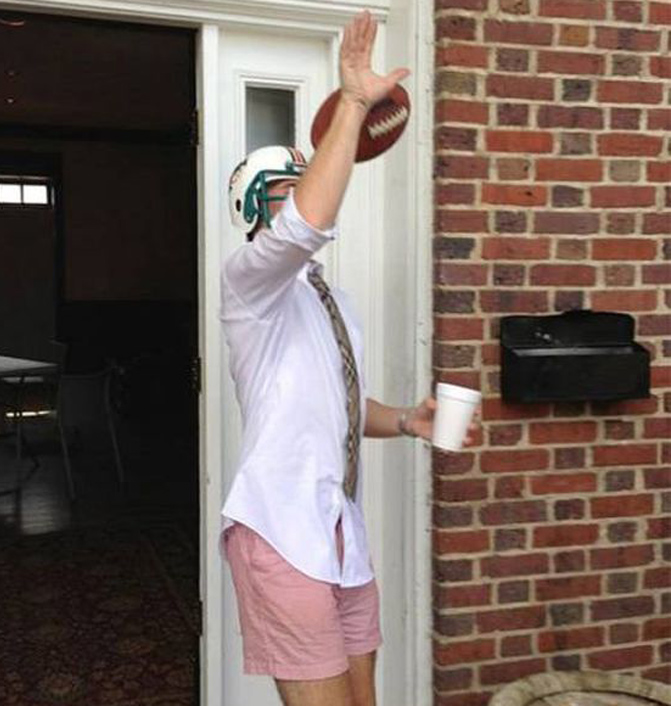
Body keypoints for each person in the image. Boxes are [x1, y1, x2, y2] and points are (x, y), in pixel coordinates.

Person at [220, 11, 473, 706]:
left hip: (340, 533)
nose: (307, 192)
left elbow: (340, 408)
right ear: (256, 207)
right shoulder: (248, 284)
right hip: (280, 531)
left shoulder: (331, 300)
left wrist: (408, 420)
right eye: (289, 186)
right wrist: (354, 103)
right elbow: (306, 223)